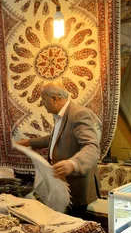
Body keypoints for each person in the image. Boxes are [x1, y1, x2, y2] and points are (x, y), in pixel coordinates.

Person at [16, 82, 100, 219]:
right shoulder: (61, 115)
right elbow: (55, 138)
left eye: (43, 99)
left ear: (54, 98)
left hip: (76, 186)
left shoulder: (78, 114)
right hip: (63, 183)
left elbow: (92, 146)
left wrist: (73, 164)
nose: (42, 103)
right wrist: (30, 142)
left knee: (73, 227)